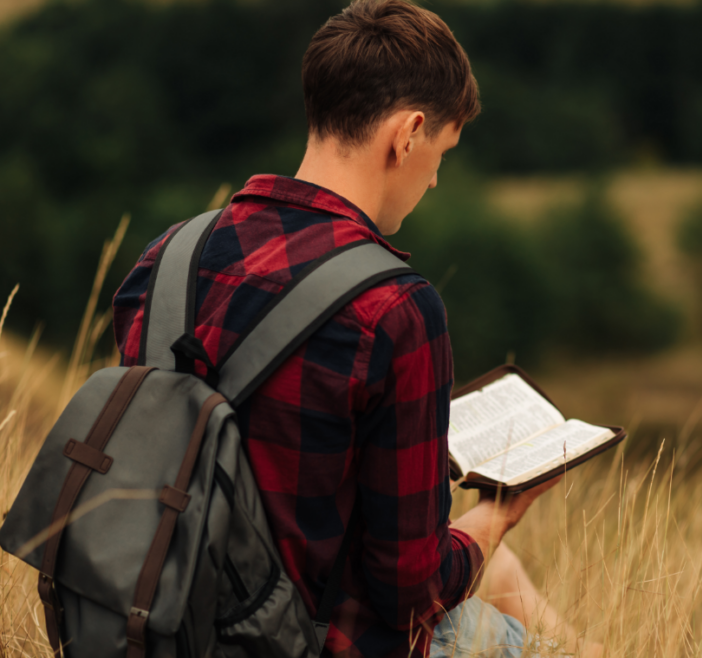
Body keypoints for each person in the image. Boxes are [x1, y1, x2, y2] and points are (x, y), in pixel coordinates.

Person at [113, 1, 600, 656]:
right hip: (301, 641)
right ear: (408, 133)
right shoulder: (396, 309)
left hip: (151, 623)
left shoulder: (167, 257)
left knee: (501, 571)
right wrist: (502, 513)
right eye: (442, 154)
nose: (433, 180)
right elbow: (409, 591)